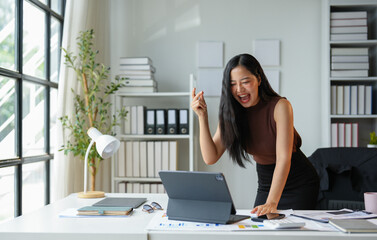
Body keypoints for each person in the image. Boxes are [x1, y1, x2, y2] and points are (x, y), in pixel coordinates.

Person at [191, 53, 319, 216]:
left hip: (298, 181)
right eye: (233, 84)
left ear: (258, 79)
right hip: (266, 182)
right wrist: (202, 117)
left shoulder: (280, 106)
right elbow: (210, 157)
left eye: (245, 82)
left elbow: (283, 159)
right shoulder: (231, 113)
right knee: (259, 229)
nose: (239, 89)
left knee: (290, 231)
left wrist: (272, 202)